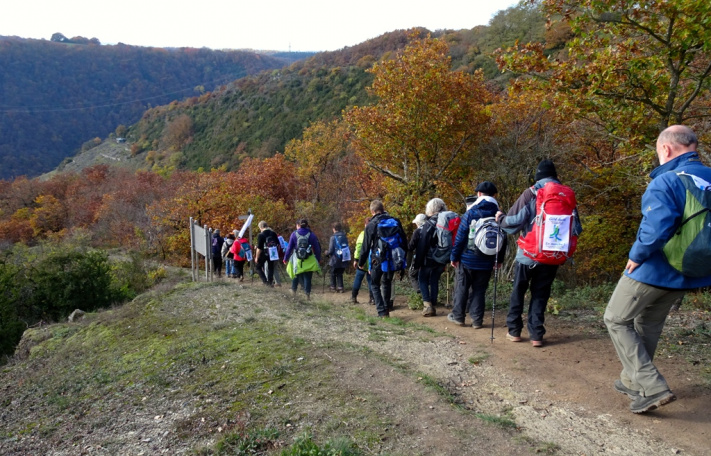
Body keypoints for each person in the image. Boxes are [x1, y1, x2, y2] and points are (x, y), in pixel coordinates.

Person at [604, 125, 711, 414]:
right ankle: (631, 380)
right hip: (691, 271)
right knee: (647, 324)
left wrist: (636, 255)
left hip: (655, 269)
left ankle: (652, 388)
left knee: (615, 319)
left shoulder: (666, 181)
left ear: (666, 149)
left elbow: (656, 227)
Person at [496, 159, 582, 347]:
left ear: (538, 176)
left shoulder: (532, 193)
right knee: (540, 294)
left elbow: (512, 223)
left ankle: (514, 331)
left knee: (518, 290)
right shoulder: (567, 196)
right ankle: (536, 335)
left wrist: (500, 218)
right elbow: (577, 228)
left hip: (528, 255)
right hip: (553, 256)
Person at [448, 182, 507, 328]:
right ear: (494, 196)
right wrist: (499, 259)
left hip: (467, 258)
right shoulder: (498, 214)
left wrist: (454, 257)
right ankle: (477, 320)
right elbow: (503, 239)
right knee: (479, 290)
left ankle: (458, 317)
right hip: (487, 259)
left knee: (462, 287)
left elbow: (461, 237)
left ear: (479, 194)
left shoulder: (471, 213)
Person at [359, 200, 407, 317]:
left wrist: (361, 262)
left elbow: (365, 246)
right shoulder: (395, 221)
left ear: (372, 211)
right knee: (387, 282)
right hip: (393, 258)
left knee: (375, 284)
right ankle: (386, 309)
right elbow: (404, 241)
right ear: (383, 208)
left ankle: (381, 312)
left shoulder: (371, 224)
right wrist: (403, 260)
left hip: (378, 259)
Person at [414, 198, 450, 317]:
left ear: (430, 209)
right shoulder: (447, 220)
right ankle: (433, 304)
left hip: (429, 259)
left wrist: (417, 263)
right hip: (443, 257)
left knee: (423, 279)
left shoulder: (429, 224)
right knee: (434, 279)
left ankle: (428, 305)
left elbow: (422, 244)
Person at [283, 218, 321, 300]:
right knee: (307, 277)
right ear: (307, 225)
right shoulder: (312, 234)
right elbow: (317, 248)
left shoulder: (294, 234)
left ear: (298, 225)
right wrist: (318, 258)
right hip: (309, 258)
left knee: (296, 274)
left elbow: (289, 248)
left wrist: (285, 258)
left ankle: (293, 291)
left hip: (297, 258)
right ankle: (307, 295)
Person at [351, 218, 373, 304]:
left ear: (365, 225)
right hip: (372, 261)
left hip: (362, 261)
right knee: (371, 280)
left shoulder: (363, 234)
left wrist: (356, 259)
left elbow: (359, 247)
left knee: (358, 278)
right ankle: (372, 299)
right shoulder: (375, 234)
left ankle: (353, 297)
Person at [255, 221, 279, 287]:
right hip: (272, 252)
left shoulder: (261, 235)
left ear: (261, 227)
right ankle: (270, 282)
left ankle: (265, 281)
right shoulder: (273, 233)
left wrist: (257, 257)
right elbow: (277, 243)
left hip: (263, 253)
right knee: (271, 268)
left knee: (258, 267)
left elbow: (259, 248)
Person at [327, 222, 349, 292]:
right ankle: (340, 287)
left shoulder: (333, 237)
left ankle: (333, 287)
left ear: (334, 229)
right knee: (340, 273)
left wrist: (326, 253)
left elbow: (330, 250)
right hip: (344, 257)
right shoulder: (344, 236)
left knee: (333, 272)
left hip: (335, 258)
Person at [408, 214, 427, 295]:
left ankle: (419, 292)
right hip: (430, 257)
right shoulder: (430, 229)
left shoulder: (417, 231)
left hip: (418, 256)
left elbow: (411, 246)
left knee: (412, 274)